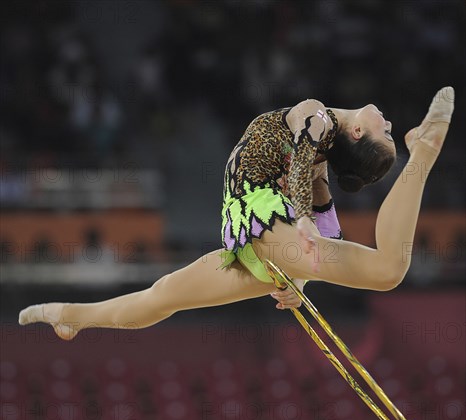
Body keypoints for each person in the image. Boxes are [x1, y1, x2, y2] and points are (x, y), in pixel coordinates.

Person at [18, 87, 454, 338]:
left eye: (386, 133)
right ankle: (72, 316)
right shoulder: (312, 120)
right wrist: (301, 263)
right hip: (254, 231)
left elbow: (319, 225)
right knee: (163, 297)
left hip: (262, 226)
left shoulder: (318, 123)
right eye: (393, 132)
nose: (389, 123)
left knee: (388, 269)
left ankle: (424, 152)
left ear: (357, 131)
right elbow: (311, 215)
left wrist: (299, 275)